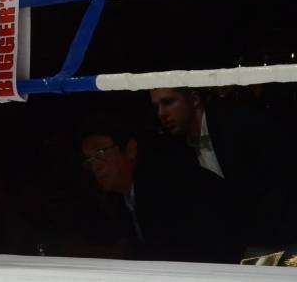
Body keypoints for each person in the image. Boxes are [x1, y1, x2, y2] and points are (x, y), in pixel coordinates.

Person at [79, 114, 243, 263]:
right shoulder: (120, 199)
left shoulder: (167, 186)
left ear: (130, 150)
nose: (95, 167)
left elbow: (175, 253)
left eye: (100, 154)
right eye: (89, 161)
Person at [149, 87, 297, 248]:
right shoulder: (176, 149)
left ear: (194, 99)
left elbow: (281, 182)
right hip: (240, 244)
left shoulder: (237, 122)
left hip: (282, 234)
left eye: (168, 102)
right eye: (156, 107)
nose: (161, 113)